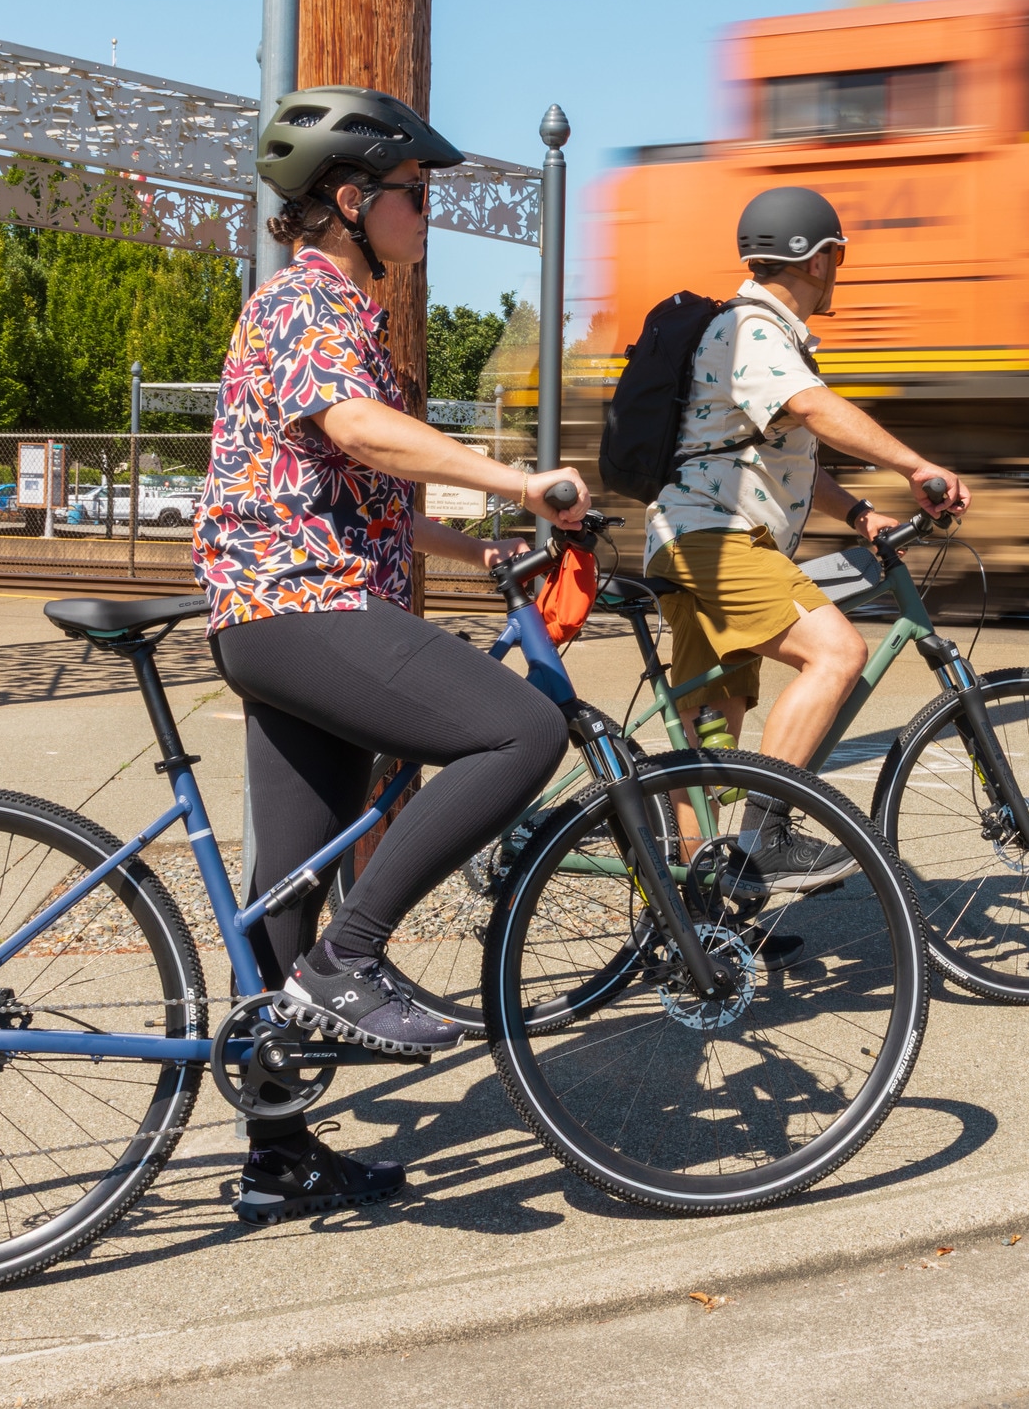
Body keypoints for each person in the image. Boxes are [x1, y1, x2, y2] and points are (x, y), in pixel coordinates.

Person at [193, 85, 592, 1222]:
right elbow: (358, 429)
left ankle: (275, 1151)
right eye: (418, 196)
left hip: (279, 614)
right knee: (522, 729)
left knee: (287, 889)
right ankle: (351, 964)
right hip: (301, 607)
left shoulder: (321, 311)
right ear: (354, 200)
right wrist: (521, 477)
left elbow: (344, 480)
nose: (430, 215)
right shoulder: (310, 299)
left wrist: (473, 544)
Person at [644, 186, 970, 894]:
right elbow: (812, 410)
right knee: (837, 651)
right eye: (838, 260)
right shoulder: (753, 329)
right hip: (717, 539)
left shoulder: (753, 333)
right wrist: (915, 465)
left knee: (711, 722)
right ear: (823, 259)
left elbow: (772, 453)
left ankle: (695, 910)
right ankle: (764, 842)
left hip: (695, 535)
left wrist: (858, 515)